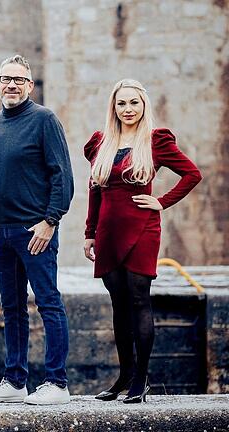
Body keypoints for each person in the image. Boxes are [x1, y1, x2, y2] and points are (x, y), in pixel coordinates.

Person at [84, 79, 202, 404]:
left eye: (134, 103)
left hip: (142, 229)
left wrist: (162, 201)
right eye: (122, 104)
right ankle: (123, 375)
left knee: (139, 300)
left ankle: (141, 378)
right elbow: (95, 191)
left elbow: (192, 174)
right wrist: (88, 232)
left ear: (143, 105)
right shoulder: (101, 143)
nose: (128, 110)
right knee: (118, 304)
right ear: (114, 108)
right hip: (107, 232)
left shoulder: (156, 141)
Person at [0, 55, 74, 405]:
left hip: (35, 231)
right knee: (12, 306)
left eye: (19, 79)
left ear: (30, 86)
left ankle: (57, 383)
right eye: (5, 78)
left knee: (48, 302)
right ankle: (15, 381)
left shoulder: (44, 120)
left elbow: (62, 174)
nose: (12, 85)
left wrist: (50, 220)